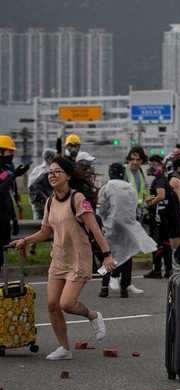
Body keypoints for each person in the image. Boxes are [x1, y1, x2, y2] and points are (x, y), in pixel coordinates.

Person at [10, 157, 114, 360]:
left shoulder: (77, 199)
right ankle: (65, 348)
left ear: (67, 175)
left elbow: (95, 230)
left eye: (57, 171)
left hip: (78, 260)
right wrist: (26, 240)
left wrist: (107, 256)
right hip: (58, 259)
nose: (52, 175)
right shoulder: (50, 201)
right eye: (50, 172)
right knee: (51, 304)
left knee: (66, 303)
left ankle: (93, 315)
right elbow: (45, 232)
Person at [97, 163, 155, 298]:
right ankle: (124, 288)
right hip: (127, 227)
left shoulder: (106, 188)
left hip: (111, 226)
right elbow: (134, 206)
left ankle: (104, 287)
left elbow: (101, 209)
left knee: (109, 256)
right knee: (127, 255)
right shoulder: (130, 188)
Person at [143, 155, 180, 279]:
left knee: (157, 244)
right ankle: (168, 269)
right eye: (151, 165)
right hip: (165, 217)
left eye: (154, 165)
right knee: (165, 243)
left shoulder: (160, 179)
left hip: (159, 217)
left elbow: (161, 195)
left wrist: (150, 202)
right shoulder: (163, 179)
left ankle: (157, 269)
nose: (152, 167)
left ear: (161, 166)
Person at [1, 136, 30, 269]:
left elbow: (7, 197)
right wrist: (14, 176)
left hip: (4, 220)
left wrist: (14, 220)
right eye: (9, 152)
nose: (12, 155)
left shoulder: (5, 170)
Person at [28, 148, 56, 220]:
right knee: (37, 225)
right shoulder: (39, 170)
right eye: (53, 157)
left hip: (52, 203)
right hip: (39, 203)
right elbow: (31, 186)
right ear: (49, 158)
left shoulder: (55, 170)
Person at [125, 146, 148, 222]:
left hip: (138, 212)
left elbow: (144, 190)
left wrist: (148, 198)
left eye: (138, 160)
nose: (135, 162)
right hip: (126, 212)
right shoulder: (123, 172)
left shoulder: (141, 172)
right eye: (132, 159)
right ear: (128, 160)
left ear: (142, 161)